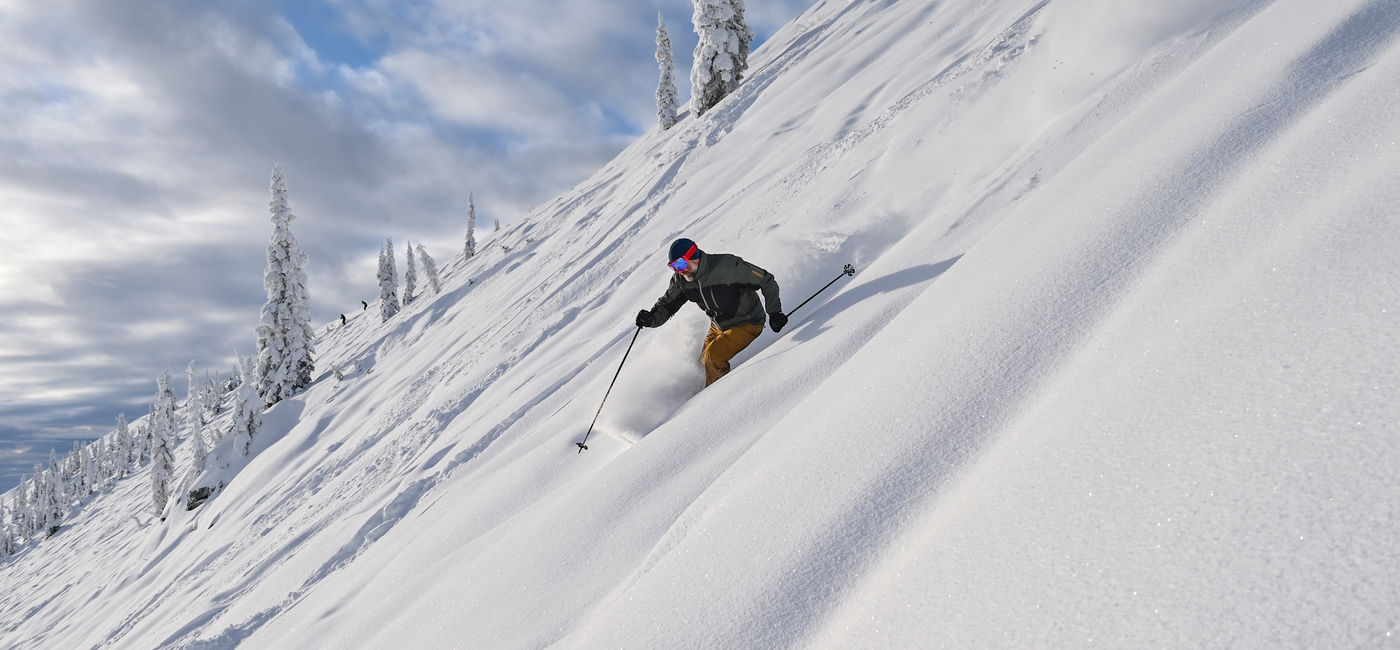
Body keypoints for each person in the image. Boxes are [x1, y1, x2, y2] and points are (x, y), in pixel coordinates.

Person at [636, 238, 787, 386]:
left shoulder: (727, 266)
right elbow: (667, 305)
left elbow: (766, 280)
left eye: (680, 264)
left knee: (712, 358)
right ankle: (703, 391)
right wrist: (651, 318)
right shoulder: (681, 281)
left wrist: (774, 312)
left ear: (693, 256)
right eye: (673, 267)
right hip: (719, 325)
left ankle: (714, 401)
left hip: (747, 322)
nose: (679, 271)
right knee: (702, 361)